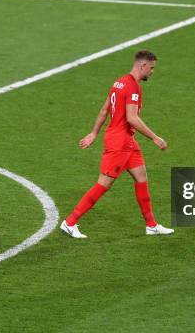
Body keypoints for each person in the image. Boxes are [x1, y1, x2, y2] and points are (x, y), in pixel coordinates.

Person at [60, 50, 174, 238]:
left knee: (141, 176)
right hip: (119, 143)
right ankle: (70, 222)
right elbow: (132, 118)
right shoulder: (133, 87)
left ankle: (151, 225)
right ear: (142, 66)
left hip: (127, 141)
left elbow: (105, 109)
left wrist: (94, 133)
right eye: (151, 68)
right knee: (103, 184)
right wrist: (155, 137)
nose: (152, 72)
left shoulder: (119, 82)